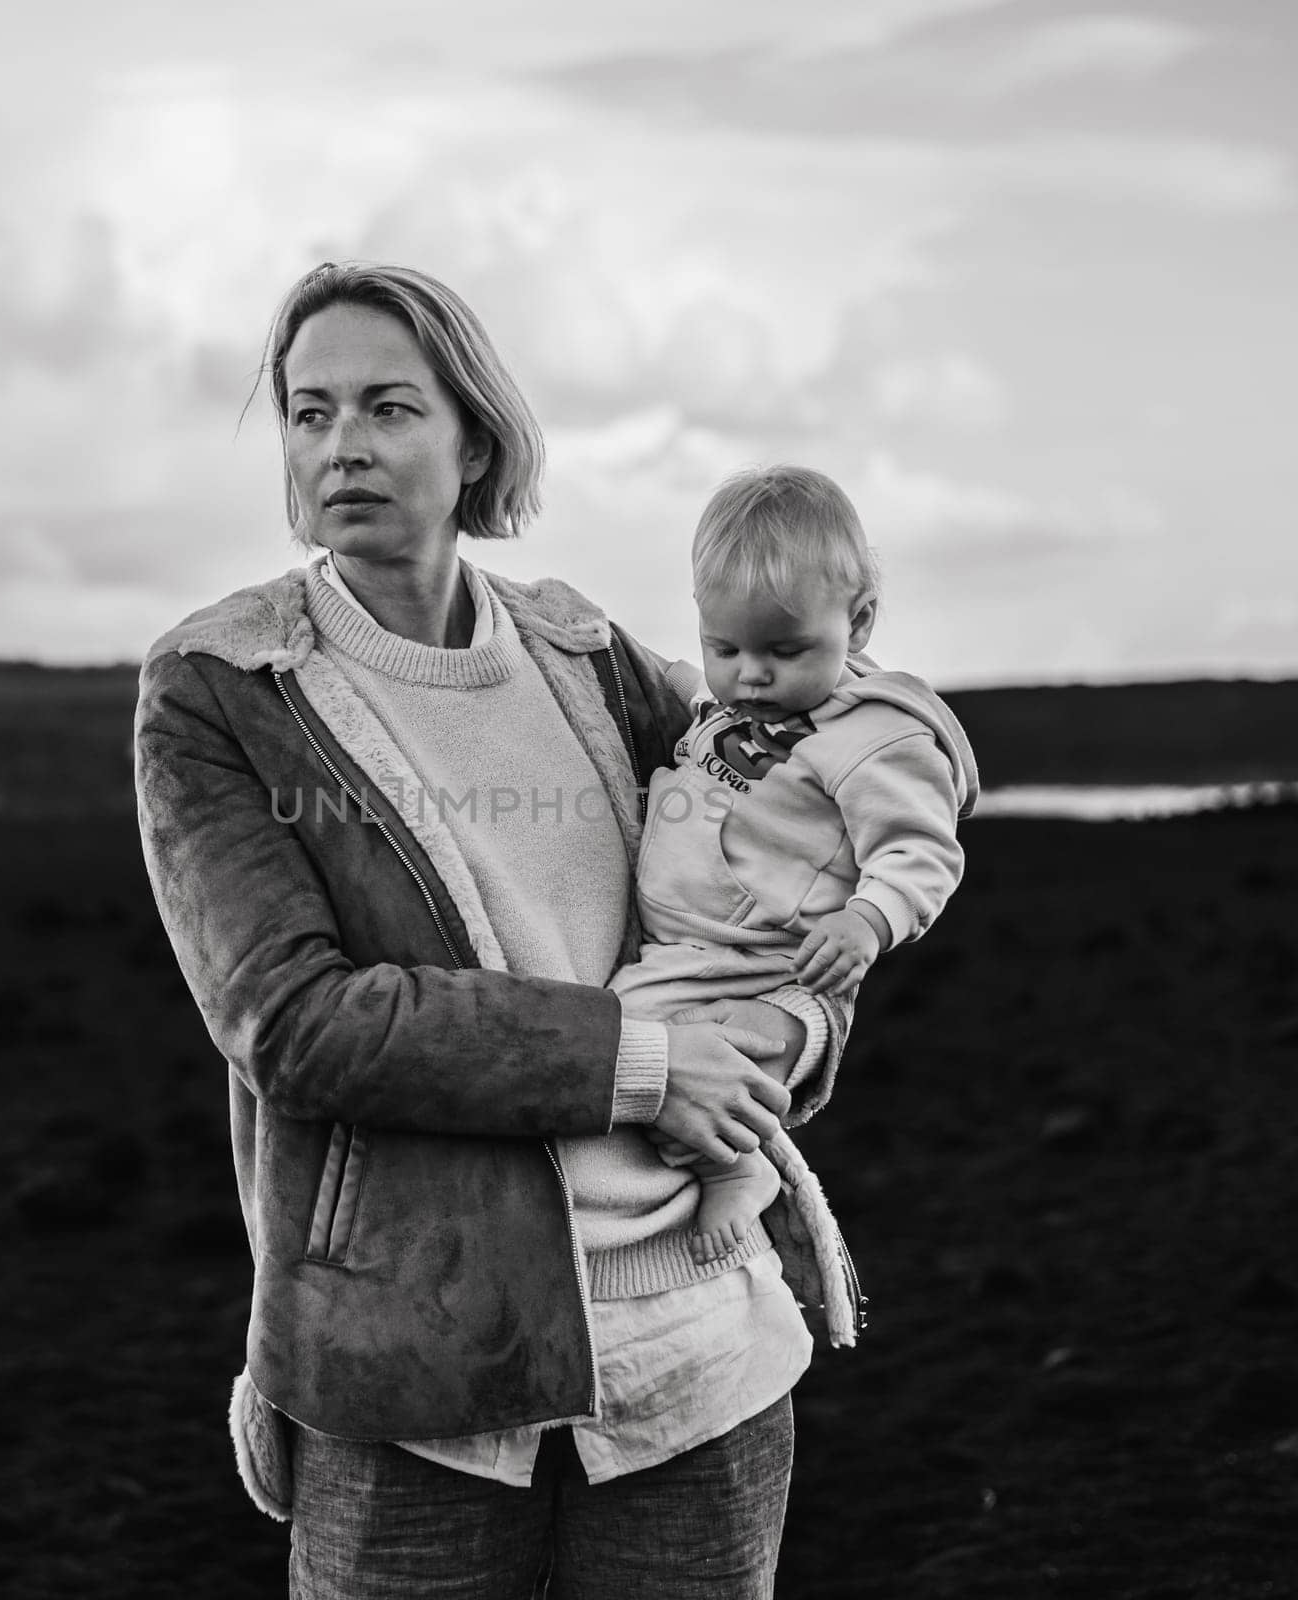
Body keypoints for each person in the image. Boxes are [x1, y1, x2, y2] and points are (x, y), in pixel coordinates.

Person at [133, 262, 861, 1599]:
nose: (342, 443)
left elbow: (793, 870)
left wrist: (778, 1042)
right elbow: (293, 1024)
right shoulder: (223, 692)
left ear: (475, 436)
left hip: (698, 1364)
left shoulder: (592, 660)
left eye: (389, 406)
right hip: (415, 1384)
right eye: (308, 412)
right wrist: (643, 1062)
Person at [610, 466, 980, 1265]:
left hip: (752, 958)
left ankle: (737, 1167)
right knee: (626, 1036)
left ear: (861, 620)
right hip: (689, 939)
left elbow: (920, 848)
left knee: (634, 1039)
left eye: (786, 650)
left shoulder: (878, 737)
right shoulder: (737, 707)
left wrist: (868, 917)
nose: (752, 675)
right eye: (725, 648)